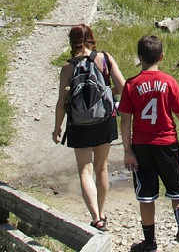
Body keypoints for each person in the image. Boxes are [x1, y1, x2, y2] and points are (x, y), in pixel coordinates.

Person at [120, 34, 179, 252]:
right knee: (178, 190)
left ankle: (149, 243)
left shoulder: (131, 85)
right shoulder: (169, 82)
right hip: (167, 143)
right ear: (162, 56)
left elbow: (126, 120)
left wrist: (128, 150)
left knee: (146, 196)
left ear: (139, 57)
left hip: (141, 146)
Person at [53, 23, 125, 231]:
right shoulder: (105, 59)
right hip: (104, 120)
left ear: (72, 42)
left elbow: (61, 103)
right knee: (101, 167)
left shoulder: (68, 67)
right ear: (92, 39)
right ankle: (102, 212)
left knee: (85, 170)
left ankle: (95, 217)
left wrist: (57, 127)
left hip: (78, 124)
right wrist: (106, 92)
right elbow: (122, 87)